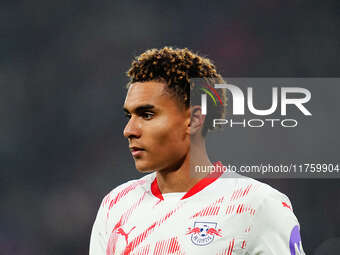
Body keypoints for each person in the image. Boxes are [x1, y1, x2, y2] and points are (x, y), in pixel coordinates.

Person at [89, 47, 305, 255]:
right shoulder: (116, 205)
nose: (129, 130)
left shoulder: (257, 205)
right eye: (129, 116)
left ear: (193, 120)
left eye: (147, 115)